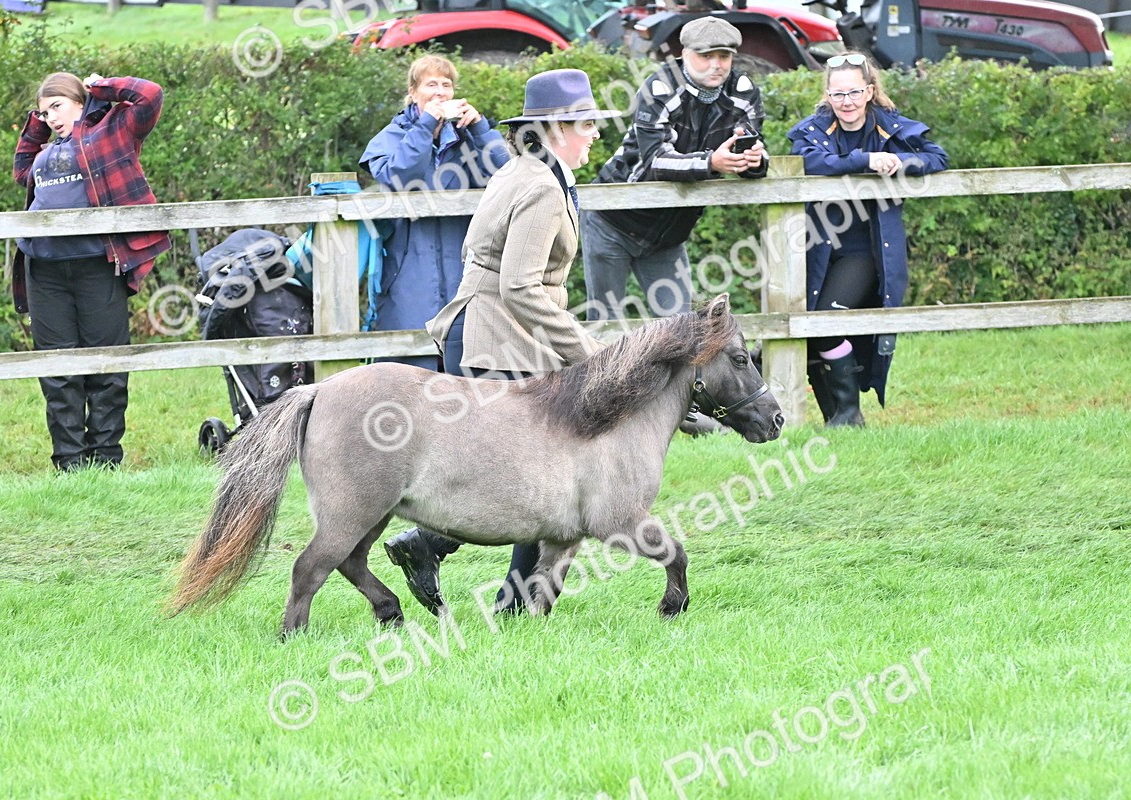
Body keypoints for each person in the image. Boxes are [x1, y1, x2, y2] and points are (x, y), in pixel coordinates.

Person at [384, 69, 621, 616]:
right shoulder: (539, 185)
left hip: (492, 329)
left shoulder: (529, 170)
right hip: (498, 335)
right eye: (588, 124)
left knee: (534, 473)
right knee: (535, 476)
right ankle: (452, 559)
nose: (596, 134)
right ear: (558, 128)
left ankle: (465, 570)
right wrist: (586, 354)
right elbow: (519, 286)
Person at [12, 72, 170, 472]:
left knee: (107, 367)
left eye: (57, 107)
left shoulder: (113, 130)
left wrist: (102, 87)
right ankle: (69, 466)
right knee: (58, 369)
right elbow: (21, 171)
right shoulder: (47, 150)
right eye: (44, 111)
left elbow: (150, 95)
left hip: (98, 263)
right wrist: (37, 123)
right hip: (44, 269)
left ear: (80, 101)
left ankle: (105, 463)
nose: (50, 117)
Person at [786, 51, 948, 426]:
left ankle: (849, 415)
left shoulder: (889, 126)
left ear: (870, 90)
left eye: (855, 93)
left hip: (865, 251)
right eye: (838, 94)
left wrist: (900, 163)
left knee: (825, 322)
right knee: (806, 327)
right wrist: (865, 161)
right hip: (816, 247)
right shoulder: (812, 129)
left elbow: (937, 158)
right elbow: (808, 162)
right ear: (827, 95)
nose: (847, 102)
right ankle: (835, 419)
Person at [583, 17, 769, 321]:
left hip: (668, 237)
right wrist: (711, 162)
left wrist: (754, 162)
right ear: (684, 53)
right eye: (706, 56)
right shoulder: (660, 86)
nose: (717, 65)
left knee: (681, 332)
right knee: (604, 327)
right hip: (612, 221)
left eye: (724, 56)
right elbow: (656, 160)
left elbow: (747, 151)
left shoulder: (744, 91)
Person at [359, 55, 511, 371]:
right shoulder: (393, 135)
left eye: (446, 85)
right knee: (408, 379)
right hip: (408, 280)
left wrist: (482, 129)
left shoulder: (469, 136)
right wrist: (426, 124)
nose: (440, 92)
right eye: (431, 84)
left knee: (467, 376)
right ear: (413, 93)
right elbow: (401, 177)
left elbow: (509, 176)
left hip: (464, 277)